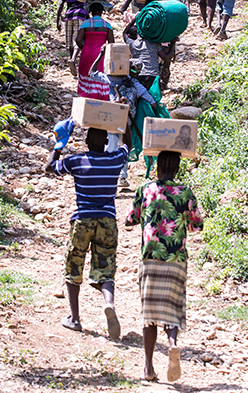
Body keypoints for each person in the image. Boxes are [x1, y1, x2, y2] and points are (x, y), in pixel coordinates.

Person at [125, 151, 203, 382]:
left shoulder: (145, 189)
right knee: (173, 307)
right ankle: (172, 344)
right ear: (177, 169)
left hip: (150, 257)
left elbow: (130, 219)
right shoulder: (185, 191)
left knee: (148, 314)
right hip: (176, 259)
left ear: (158, 167)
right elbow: (197, 225)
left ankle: (148, 367)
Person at [49, 122, 129, 341]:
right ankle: (109, 304)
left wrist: (60, 144)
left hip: (82, 220)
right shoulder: (114, 160)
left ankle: (75, 319)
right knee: (106, 265)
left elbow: (50, 167)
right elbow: (128, 145)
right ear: (106, 142)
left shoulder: (76, 161)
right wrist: (123, 123)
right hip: (107, 221)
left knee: (73, 264)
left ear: (85, 142)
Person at [89, 56, 158, 188]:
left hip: (111, 118)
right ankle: (121, 176)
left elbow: (91, 73)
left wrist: (101, 54)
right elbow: (153, 103)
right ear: (137, 72)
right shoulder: (137, 85)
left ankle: (107, 176)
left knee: (110, 145)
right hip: (127, 122)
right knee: (124, 147)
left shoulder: (112, 80)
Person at [56, 0, 101, 72]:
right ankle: (72, 60)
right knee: (78, 39)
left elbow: (61, 4)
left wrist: (57, 19)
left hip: (68, 16)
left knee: (69, 41)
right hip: (80, 15)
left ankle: (72, 62)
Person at [73, 2, 114, 100]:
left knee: (86, 72)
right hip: (101, 53)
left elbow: (78, 40)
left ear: (90, 11)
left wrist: (84, 47)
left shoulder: (85, 24)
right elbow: (112, 43)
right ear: (102, 12)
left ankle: (87, 97)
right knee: (99, 74)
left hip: (87, 51)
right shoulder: (107, 25)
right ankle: (99, 97)